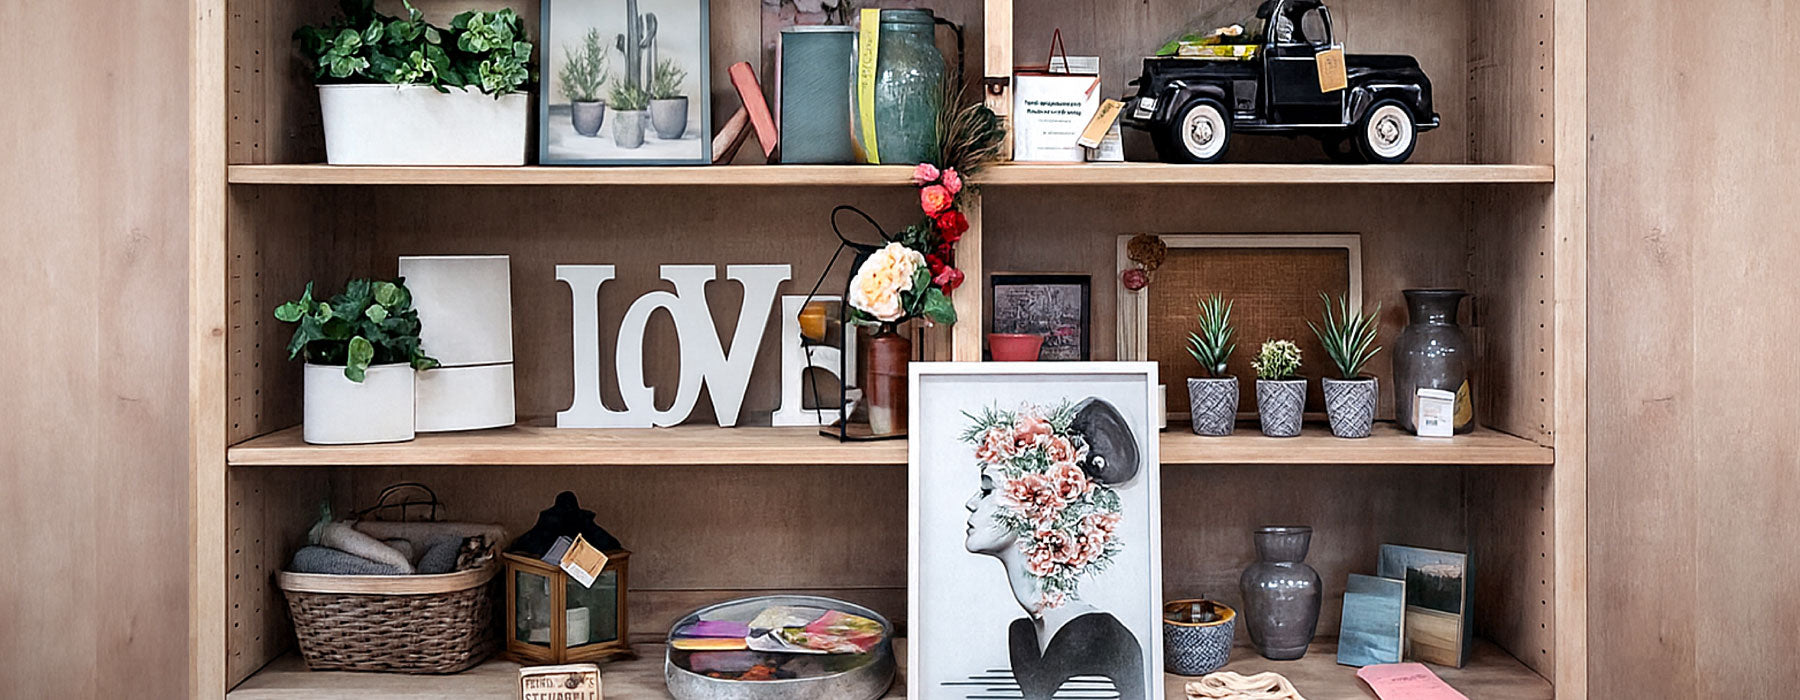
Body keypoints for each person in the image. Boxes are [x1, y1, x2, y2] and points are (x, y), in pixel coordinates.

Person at [959, 398, 1146, 700]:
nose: (971, 502)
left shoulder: (1097, 641)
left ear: (1037, 503)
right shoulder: (1026, 638)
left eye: (986, 488)